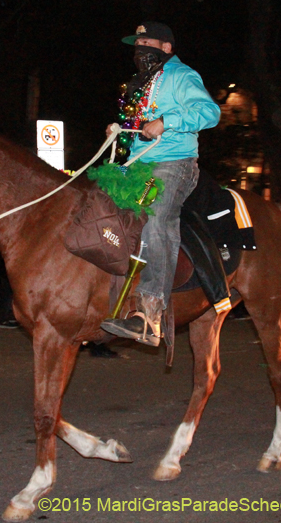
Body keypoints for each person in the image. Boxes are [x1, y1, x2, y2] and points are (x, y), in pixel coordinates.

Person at [101, 22, 220, 346]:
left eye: (146, 41)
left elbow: (210, 112)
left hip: (173, 164)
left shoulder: (182, 77)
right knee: (95, 208)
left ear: (166, 47)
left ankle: (150, 315)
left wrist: (167, 122)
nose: (140, 48)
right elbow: (138, 126)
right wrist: (122, 129)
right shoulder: (139, 84)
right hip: (136, 167)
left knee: (156, 217)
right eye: (136, 43)